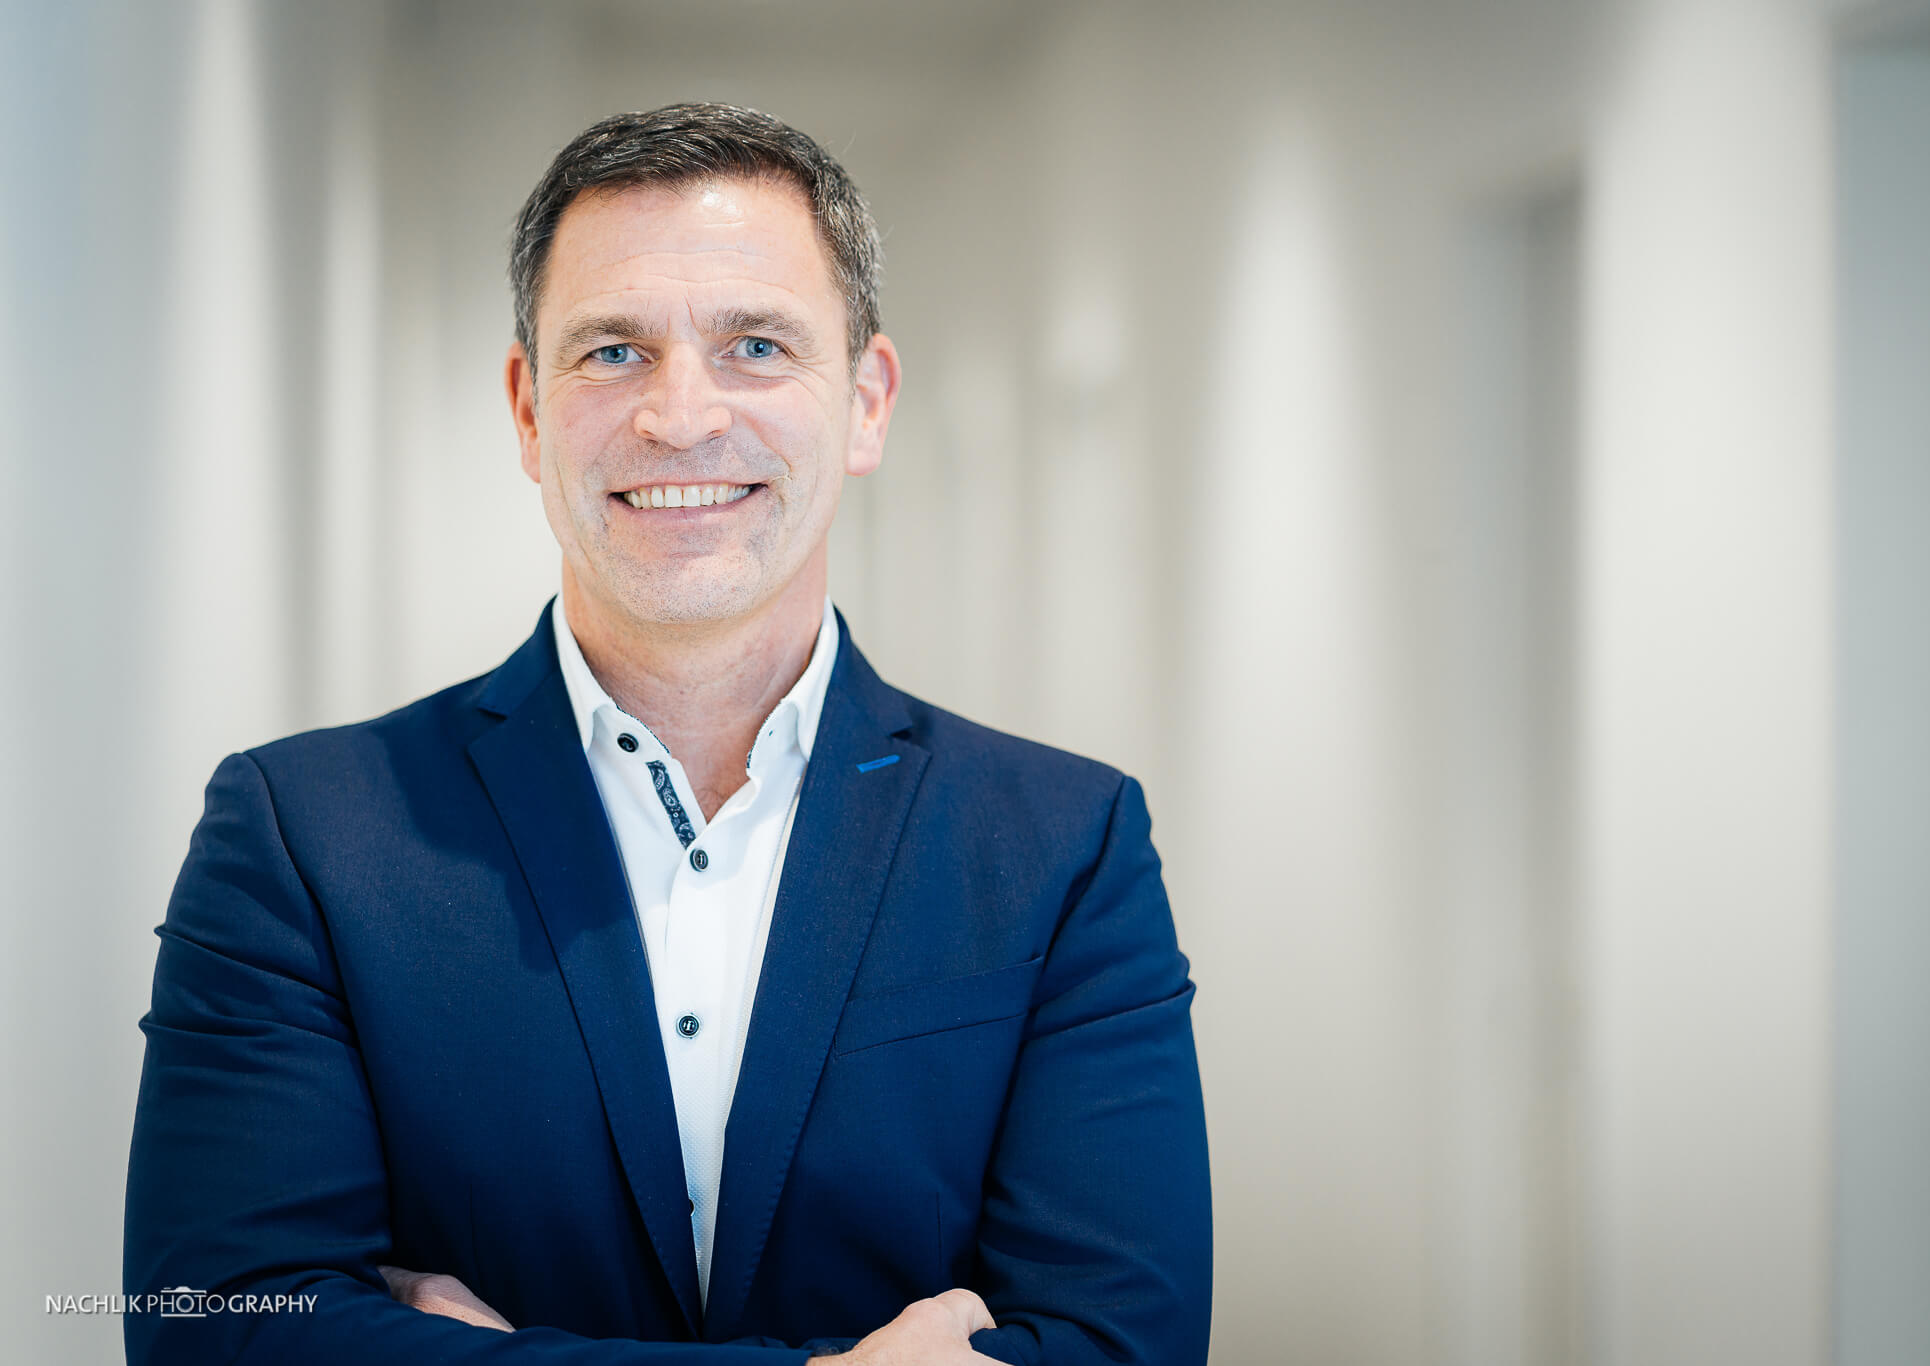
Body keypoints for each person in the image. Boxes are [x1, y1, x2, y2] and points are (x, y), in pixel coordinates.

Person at [122, 102, 1210, 1365]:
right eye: (612, 351)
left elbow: (1122, 1341)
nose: (680, 416)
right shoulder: (304, 836)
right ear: (528, 409)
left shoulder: (1064, 845)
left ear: (865, 402)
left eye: (755, 345)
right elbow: (215, 1325)